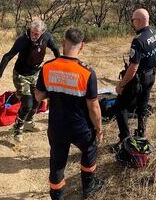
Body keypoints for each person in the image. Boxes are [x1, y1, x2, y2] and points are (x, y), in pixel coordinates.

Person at [35, 28, 104, 200]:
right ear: (82, 46)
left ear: (63, 43)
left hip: (57, 126)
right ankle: (88, 188)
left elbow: (39, 95)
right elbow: (93, 106)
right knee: (89, 151)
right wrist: (99, 128)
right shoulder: (87, 72)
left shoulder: (48, 67)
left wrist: (54, 90)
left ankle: (57, 197)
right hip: (81, 127)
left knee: (57, 162)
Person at [0, 18, 60, 142]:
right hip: (21, 75)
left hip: (36, 73)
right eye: (32, 32)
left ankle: (28, 122)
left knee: (37, 99)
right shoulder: (23, 40)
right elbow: (7, 56)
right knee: (27, 103)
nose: (33, 35)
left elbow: (55, 49)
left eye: (36, 34)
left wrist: (61, 64)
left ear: (42, 32)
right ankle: (17, 128)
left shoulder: (47, 37)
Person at [114, 9, 156, 149]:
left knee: (120, 106)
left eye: (133, 20)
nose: (132, 23)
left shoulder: (138, 40)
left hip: (139, 79)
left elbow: (133, 67)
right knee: (142, 105)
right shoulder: (155, 33)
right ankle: (141, 132)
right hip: (151, 75)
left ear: (139, 20)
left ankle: (125, 138)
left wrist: (121, 85)